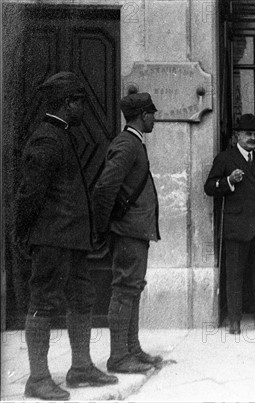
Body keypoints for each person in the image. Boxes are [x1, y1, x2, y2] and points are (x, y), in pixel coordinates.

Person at [14, 72, 118, 400]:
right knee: (43, 302)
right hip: (53, 239)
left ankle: (81, 367)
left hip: (71, 240)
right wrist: (24, 233)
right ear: (67, 103)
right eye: (80, 101)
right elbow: (30, 194)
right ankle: (38, 378)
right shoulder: (47, 138)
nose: (84, 107)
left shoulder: (62, 134)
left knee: (82, 299)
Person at [93, 92, 163, 373]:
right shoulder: (127, 144)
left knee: (132, 289)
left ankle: (131, 349)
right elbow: (105, 187)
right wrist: (103, 227)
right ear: (143, 115)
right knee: (124, 290)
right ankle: (119, 357)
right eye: (152, 114)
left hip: (135, 231)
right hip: (128, 232)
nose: (155, 118)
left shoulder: (134, 142)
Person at [204, 114, 255, 335]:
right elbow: (209, 186)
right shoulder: (225, 159)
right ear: (237, 135)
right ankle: (235, 322)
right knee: (235, 275)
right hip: (237, 226)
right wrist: (229, 181)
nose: (253, 138)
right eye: (248, 134)